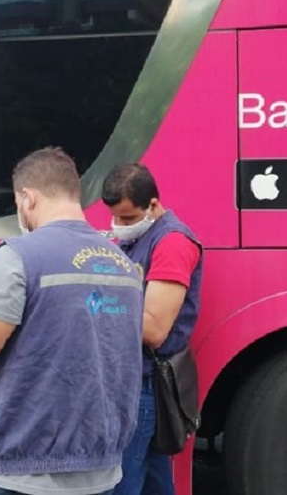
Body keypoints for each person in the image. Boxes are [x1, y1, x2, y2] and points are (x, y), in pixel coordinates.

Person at [0, 147, 144, 495]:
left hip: (22, 470)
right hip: (101, 469)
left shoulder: (18, 256)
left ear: (27, 198)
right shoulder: (123, 265)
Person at [101, 163, 203, 495]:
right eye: (115, 218)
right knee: (154, 485)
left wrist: (93, 309)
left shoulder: (172, 243)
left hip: (144, 386)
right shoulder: (141, 237)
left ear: (154, 205)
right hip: (135, 382)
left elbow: (154, 329)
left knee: (122, 485)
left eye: (128, 218)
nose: (119, 226)